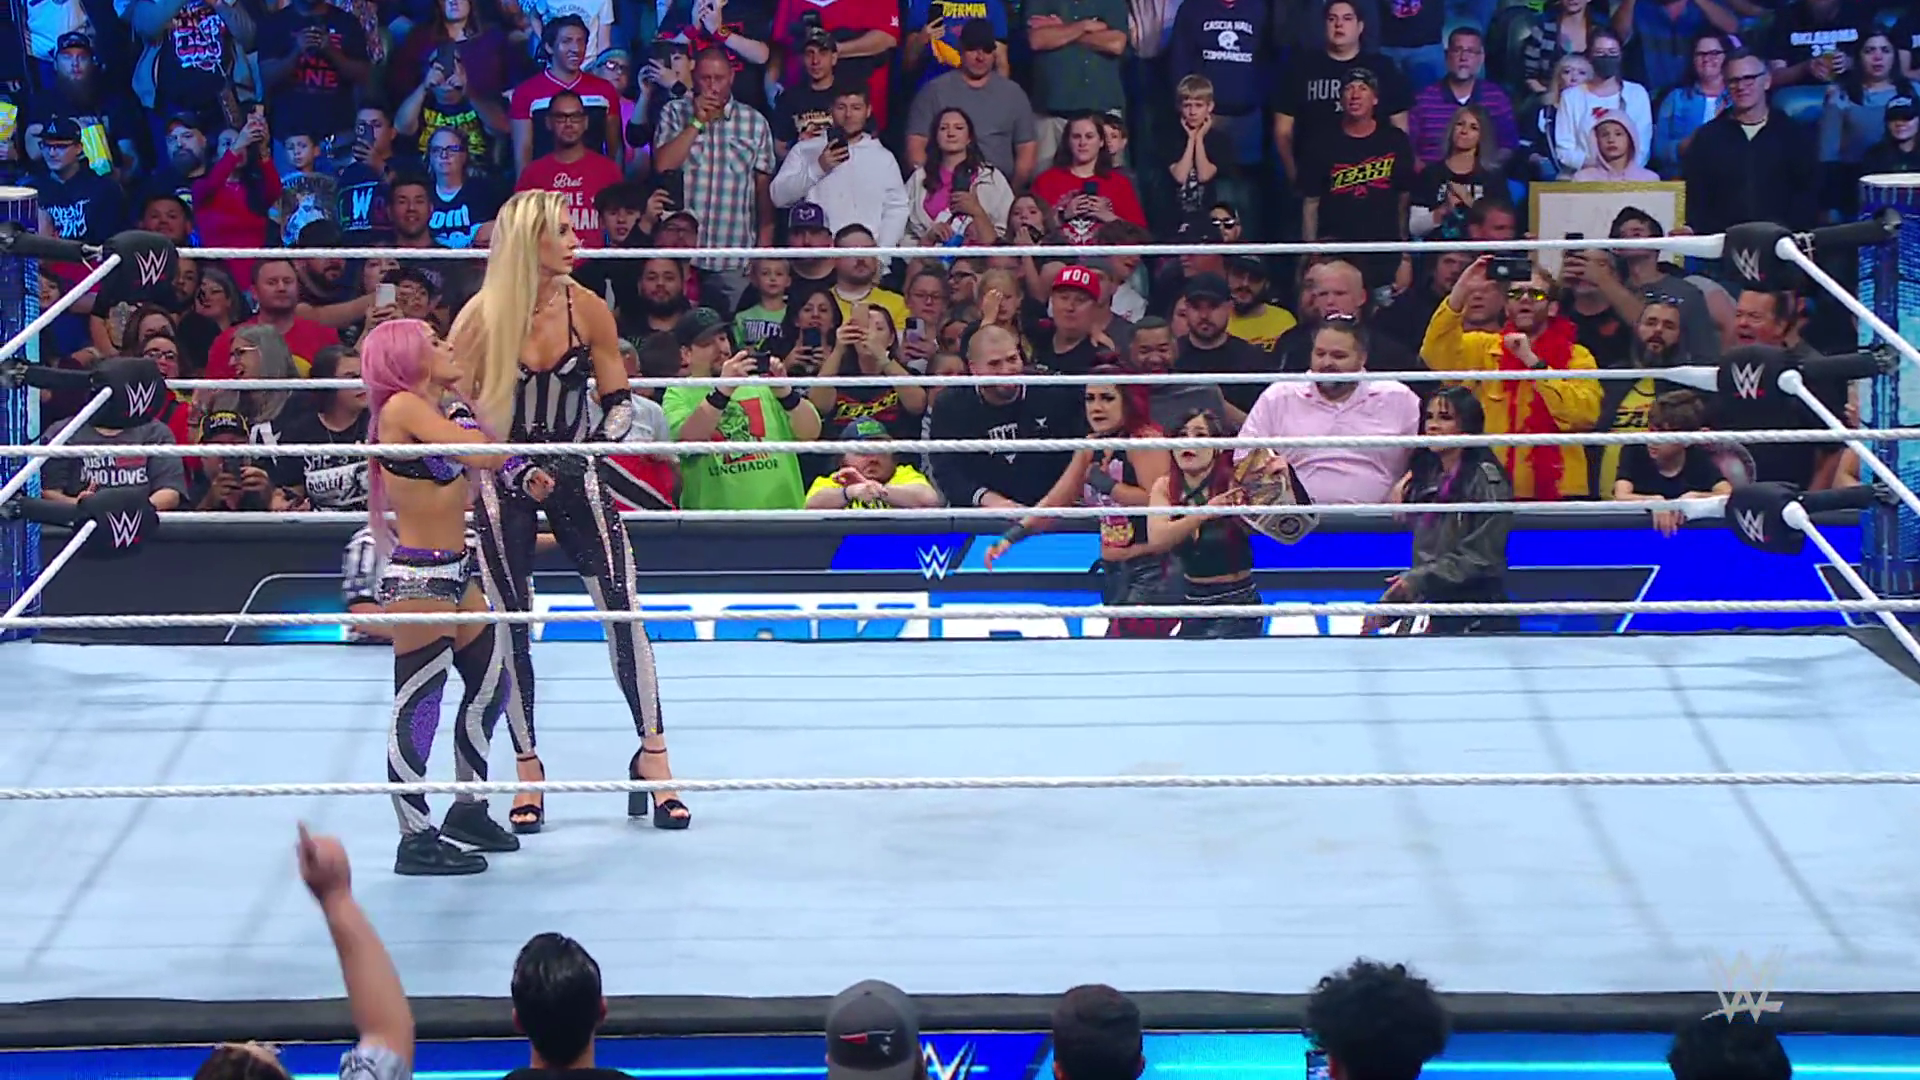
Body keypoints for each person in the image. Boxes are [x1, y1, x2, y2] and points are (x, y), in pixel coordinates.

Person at [457, 189, 688, 834]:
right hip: (502, 477)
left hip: (574, 468)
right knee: (511, 621)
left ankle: (655, 755)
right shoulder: (479, 318)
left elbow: (619, 403)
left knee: (622, 609)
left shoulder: (587, 308)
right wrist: (511, 466)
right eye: (560, 230)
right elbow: (455, 415)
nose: (574, 238)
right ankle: (527, 765)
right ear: (529, 240)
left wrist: (571, 458)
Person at [361, 317, 527, 876]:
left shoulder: (438, 410)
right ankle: (414, 836)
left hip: (460, 570)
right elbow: (482, 454)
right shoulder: (402, 408)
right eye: (434, 342)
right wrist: (475, 427)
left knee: (491, 684)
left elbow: (494, 454)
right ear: (406, 356)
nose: (447, 345)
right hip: (420, 578)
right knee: (420, 703)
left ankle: (468, 808)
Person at [986, 369, 1174, 637]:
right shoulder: (1091, 446)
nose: (1096, 407)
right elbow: (1057, 500)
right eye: (1090, 398)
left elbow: (1161, 504)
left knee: (1124, 650)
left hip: (1153, 571)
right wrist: (1011, 537)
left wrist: (1109, 486)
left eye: (1107, 398)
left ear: (1128, 400)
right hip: (1114, 573)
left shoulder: (1145, 441)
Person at [1368, 387, 1514, 635]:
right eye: (1429, 417)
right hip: (1435, 606)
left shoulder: (1486, 480)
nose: (1433, 426)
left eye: (1445, 418)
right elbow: (1429, 557)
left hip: (1476, 611)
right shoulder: (1426, 477)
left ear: (1467, 426)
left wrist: (1416, 580)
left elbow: (1480, 557)